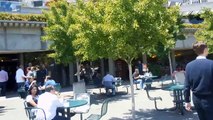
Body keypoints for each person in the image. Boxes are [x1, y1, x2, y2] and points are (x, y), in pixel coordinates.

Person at [184, 41, 213, 120]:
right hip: (210, 99)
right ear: (205, 50)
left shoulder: (189, 66)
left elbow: (186, 85)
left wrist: (187, 101)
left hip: (196, 99)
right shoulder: (211, 64)